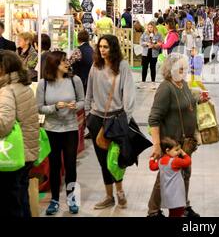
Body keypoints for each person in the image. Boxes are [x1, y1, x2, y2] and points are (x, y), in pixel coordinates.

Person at [147, 53, 209, 217]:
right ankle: (153, 211)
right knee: (164, 178)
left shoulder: (183, 85)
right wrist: (157, 145)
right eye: (181, 69)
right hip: (171, 144)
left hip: (186, 143)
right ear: (170, 69)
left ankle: (182, 207)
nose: (184, 72)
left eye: (185, 68)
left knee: (185, 174)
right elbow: (154, 118)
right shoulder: (165, 88)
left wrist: (199, 100)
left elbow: (187, 103)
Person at [85, 35, 136, 209]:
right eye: (100, 46)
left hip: (115, 119)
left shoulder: (122, 66)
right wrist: (87, 114)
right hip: (96, 118)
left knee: (115, 159)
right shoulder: (95, 66)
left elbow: (129, 93)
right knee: (102, 160)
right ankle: (109, 196)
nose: (102, 50)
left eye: (106, 47)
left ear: (113, 48)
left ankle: (120, 191)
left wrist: (126, 118)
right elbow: (89, 92)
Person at [36, 51, 85, 215]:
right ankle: (54, 199)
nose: (67, 63)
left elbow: (82, 101)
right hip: (51, 129)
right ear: (54, 64)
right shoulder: (43, 84)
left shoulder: (74, 80)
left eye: (66, 61)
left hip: (70, 128)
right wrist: (55, 107)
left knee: (71, 165)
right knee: (55, 166)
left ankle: (72, 199)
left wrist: (74, 107)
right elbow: (39, 107)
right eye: (63, 61)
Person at [0, 50, 39, 217]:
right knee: (22, 197)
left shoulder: (7, 90)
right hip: (26, 152)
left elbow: (3, 125)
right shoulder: (23, 86)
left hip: (12, 154)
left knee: (11, 203)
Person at [149, 137, 192, 217]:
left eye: (179, 149)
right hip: (176, 194)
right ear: (167, 150)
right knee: (177, 213)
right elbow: (188, 162)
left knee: (173, 212)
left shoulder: (161, 161)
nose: (178, 152)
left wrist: (152, 158)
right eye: (176, 150)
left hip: (167, 194)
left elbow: (152, 167)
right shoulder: (175, 161)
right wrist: (184, 153)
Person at [140, 22, 162, 90]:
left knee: (153, 68)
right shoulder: (145, 33)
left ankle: (153, 82)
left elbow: (161, 43)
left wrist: (155, 45)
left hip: (154, 53)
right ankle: (143, 82)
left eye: (151, 27)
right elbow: (141, 42)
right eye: (149, 27)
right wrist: (146, 43)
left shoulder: (158, 34)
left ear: (154, 27)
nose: (150, 28)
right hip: (145, 53)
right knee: (144, 68)